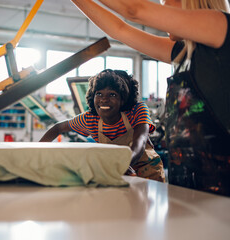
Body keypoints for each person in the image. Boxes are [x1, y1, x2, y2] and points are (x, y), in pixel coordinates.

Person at [70, 0, 230, 196]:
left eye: (168, 0)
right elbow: (119, 29)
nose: (163, 5)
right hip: (189, 183)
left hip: (222, 184)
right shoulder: (182, 52)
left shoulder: (219, 25)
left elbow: (134, 10)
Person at [40, 69, 166, 182]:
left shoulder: (137, 111)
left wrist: (123, 164)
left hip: (148, 173)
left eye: (112, 94)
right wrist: (37, 151)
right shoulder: (90, 119)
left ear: (122, 100)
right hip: (117, 174)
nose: (104, 99)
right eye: (99, 94)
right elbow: (58, 128)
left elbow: (139, 144)